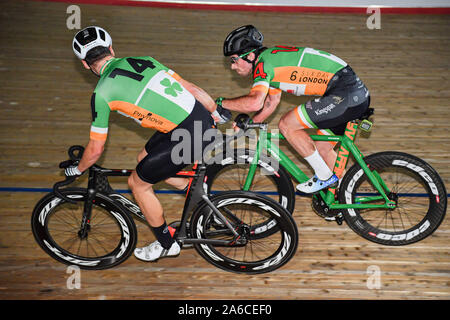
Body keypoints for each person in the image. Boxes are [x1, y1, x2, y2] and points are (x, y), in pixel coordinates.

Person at [66, 26, 230, 262]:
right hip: (196, 122)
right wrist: (215, 112)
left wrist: (77, 169)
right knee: (144, 158)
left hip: (186, 134)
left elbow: (95, 150)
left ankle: (166, 244)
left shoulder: (102, 94)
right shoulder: (144, 60)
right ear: (112, 48)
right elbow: (191, 89)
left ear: (84, 63)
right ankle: (194, 193)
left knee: (138, 183)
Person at [218, 25, 371, 193]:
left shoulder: (263, 65)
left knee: (286, 124)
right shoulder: (271, 60)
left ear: (250, 56)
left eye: (234, 60)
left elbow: (254, 103)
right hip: (350, 93)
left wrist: (221, 103)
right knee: (322, 149)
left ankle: (324, 177)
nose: (233, 66)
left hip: (345, 94)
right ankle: (342, 196)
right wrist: (249, 123)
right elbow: (271, 102)